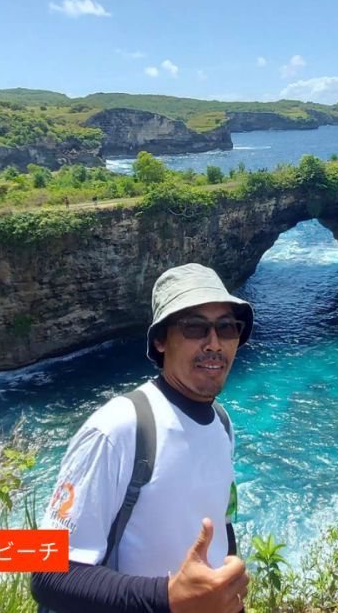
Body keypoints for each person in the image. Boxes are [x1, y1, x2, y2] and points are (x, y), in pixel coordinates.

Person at [31, 263, 254, 613]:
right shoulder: (118, 428)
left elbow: (220, 526)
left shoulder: (222, 425)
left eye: (226, 327)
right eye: (195, 327)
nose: (214, 343)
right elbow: (48, 574)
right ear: (161, 341)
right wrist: (167, 598)